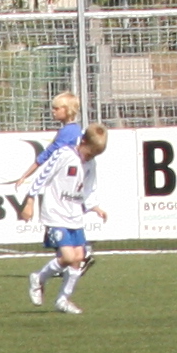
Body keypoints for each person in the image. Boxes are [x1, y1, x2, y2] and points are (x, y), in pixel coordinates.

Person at [27, 125, 107, 314]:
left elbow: (88, 188)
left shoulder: (91, 163)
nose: (90, 158)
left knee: (79, 257)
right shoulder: (64, 154)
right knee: (68, 257)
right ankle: (38, 278)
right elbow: (43, 176)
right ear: (83, 141)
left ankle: (62, 299)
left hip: (74, 214)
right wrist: (30, 200)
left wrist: (94, 207)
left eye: (95, 155)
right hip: (55, 213)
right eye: (90, 153)